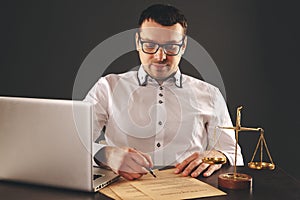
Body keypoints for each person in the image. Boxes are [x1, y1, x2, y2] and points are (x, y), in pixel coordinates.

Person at [84, 4, 243, 181]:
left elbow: (232, 153)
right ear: (138, 42)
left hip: (190, 192)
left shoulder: (210, 94)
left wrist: (217, 156)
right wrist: (106, 154)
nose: (160, 57)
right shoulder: (107, 87)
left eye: (171, 47)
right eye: (150, 45)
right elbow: (72, 144)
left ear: (183, 46)